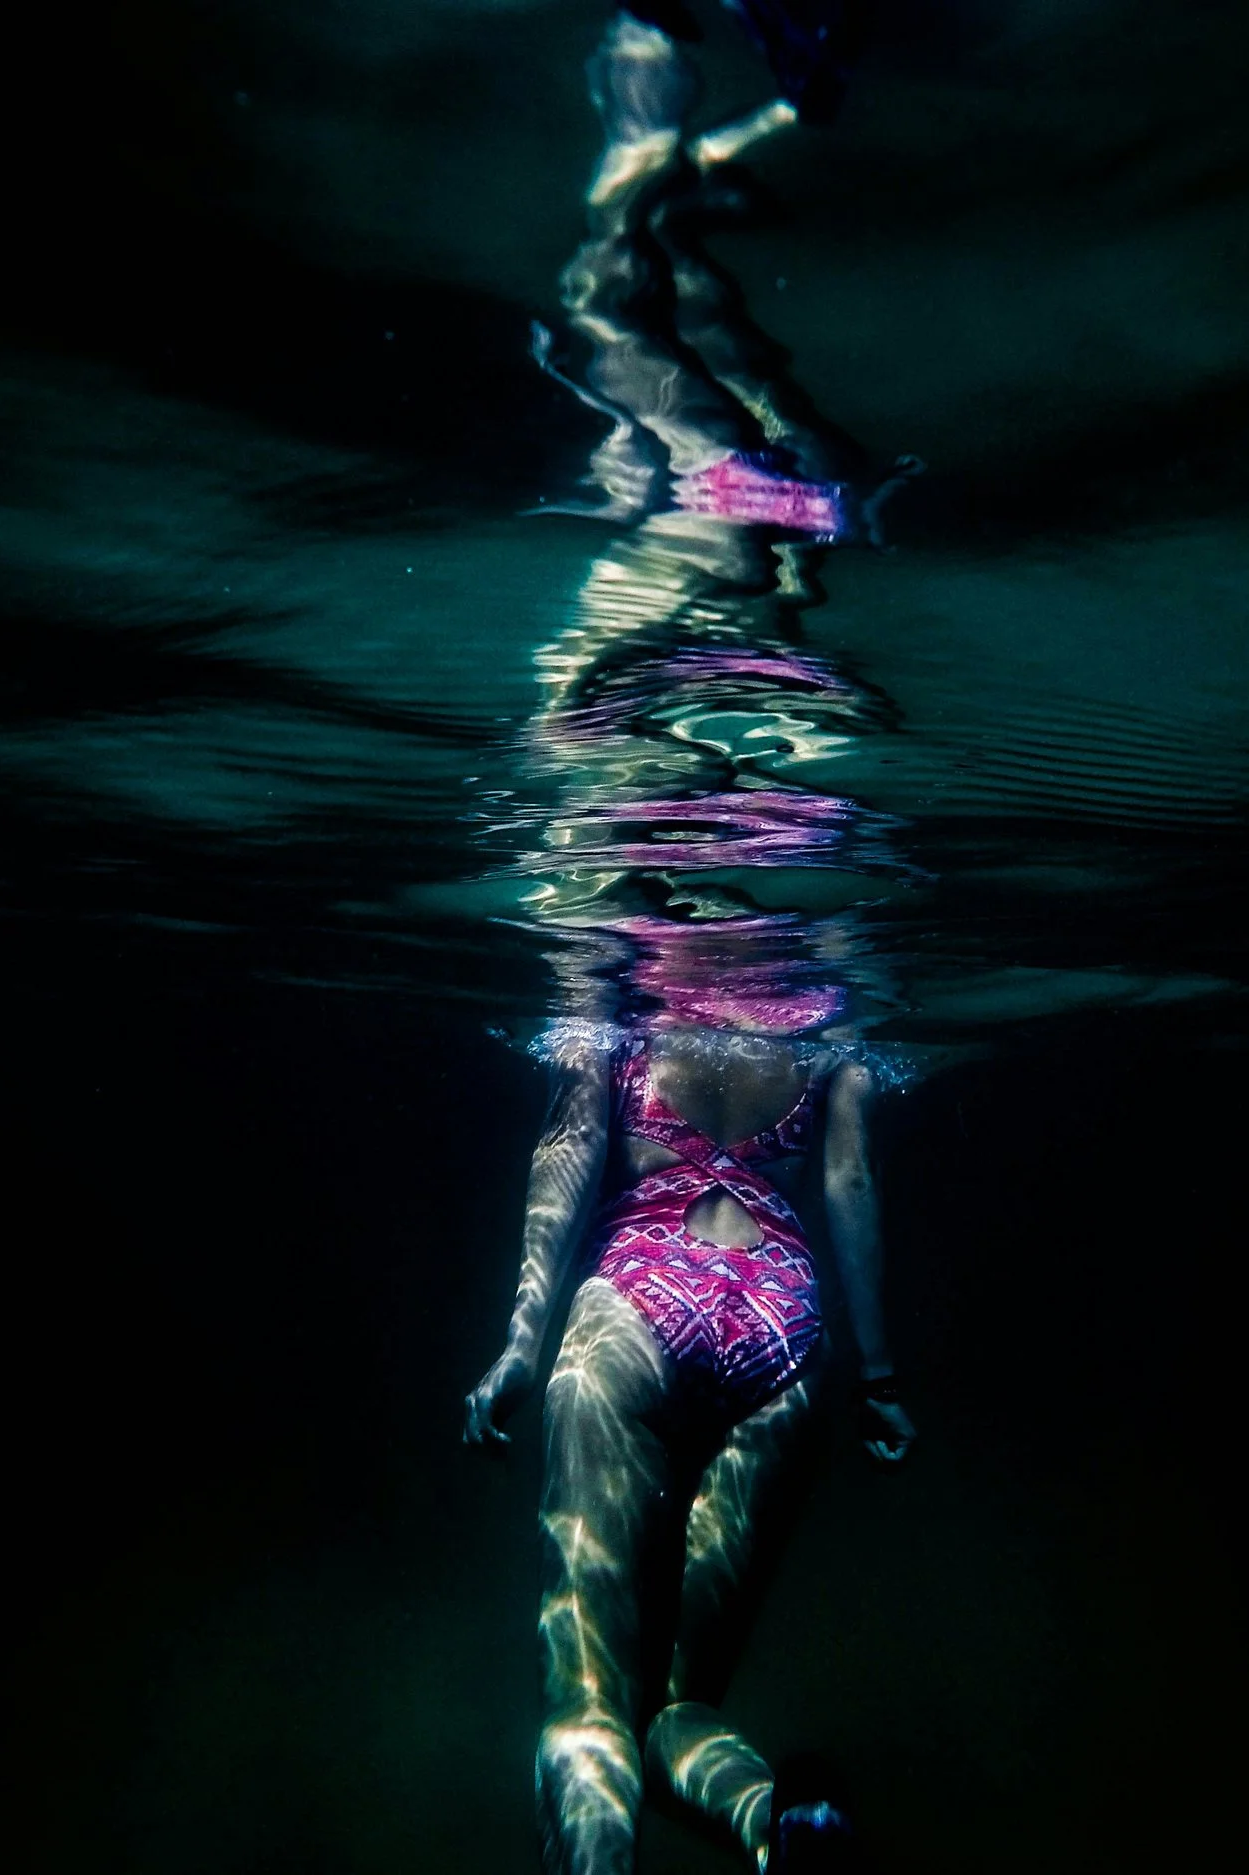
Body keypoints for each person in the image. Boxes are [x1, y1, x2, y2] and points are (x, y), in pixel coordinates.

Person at [465, 989, 915, 1875]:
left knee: (590, 1700)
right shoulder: (823, 1005)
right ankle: (775, 1825)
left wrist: (520, 1342)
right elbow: (849, 1182)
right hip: (783, 1321)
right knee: (682, 1705)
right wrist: (877, 1376)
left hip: (633, 1299)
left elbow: (568, 1149)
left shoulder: (615, 978)